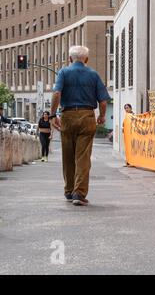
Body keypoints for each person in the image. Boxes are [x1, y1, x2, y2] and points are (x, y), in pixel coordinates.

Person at [50, 46, 110, 207]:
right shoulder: (93, 74)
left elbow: (56, 93)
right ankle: (79, 193)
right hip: (87, 116)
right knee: (83, 157)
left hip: (67, 116)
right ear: (87, 59)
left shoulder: (63, 72)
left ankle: (69, 191)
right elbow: (103, 101)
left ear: (70, 59)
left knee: (68, 156)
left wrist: (52, 114)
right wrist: (102, 116)